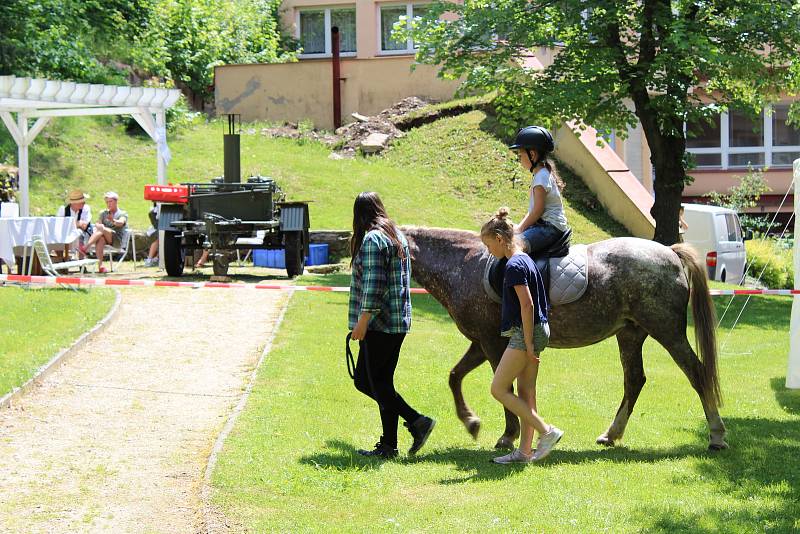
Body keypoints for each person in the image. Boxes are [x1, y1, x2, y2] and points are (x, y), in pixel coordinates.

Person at [348, 191, 435, 459]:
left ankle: (418, 421)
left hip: (379, 324)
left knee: (369, 381)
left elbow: (374, 285)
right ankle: (389, 445)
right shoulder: (395, 234)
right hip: (397, 322)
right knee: (379, 382)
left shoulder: (374, 239)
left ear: (360, 215)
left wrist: (362, 322)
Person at [480, 207, 563, 463]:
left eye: (488, 245)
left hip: (526, 333)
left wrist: (527, 344)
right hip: (538, 329)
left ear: (500, 239)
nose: (488, 251)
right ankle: (525, 452)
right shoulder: (524, 258)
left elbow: (526, 305)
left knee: (498, 388)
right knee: (527, 393)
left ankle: (547, 431)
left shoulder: (514, 265)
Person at [509, 126, 571, 255]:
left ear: (532, 154)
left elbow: (537, 211)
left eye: (521, 155)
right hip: (546, 226)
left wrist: (520, 228)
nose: (519, 158)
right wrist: (519, 227)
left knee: (512, 247)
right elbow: (533, 211)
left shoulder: (541, 178)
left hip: (550, 228)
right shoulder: (541, 174)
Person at [81, 191, 128, 273]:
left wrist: (112, 220)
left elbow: (121, 223)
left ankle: (85, 247)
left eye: (110, 201)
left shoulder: (122, 213)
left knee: (102, 230)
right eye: (107, 202)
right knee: (101, 238)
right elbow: (98, 223)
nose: (108, 204)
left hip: (117, 240)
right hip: (105, 238)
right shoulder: (103, 213)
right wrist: (98, 225)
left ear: (116, 201)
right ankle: (100, 266)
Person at [57, 189, 92, 258]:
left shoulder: (85, 209)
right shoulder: (63, 210)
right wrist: (77, 223)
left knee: (79, 233)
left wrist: (68, 224)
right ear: (73, 203)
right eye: (81, 202)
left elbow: (84, 226)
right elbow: (59, 225)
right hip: (66, 233)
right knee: (56, 236)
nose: (84, 203)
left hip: (82, 233)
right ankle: (61, 259)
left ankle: (82, 264)